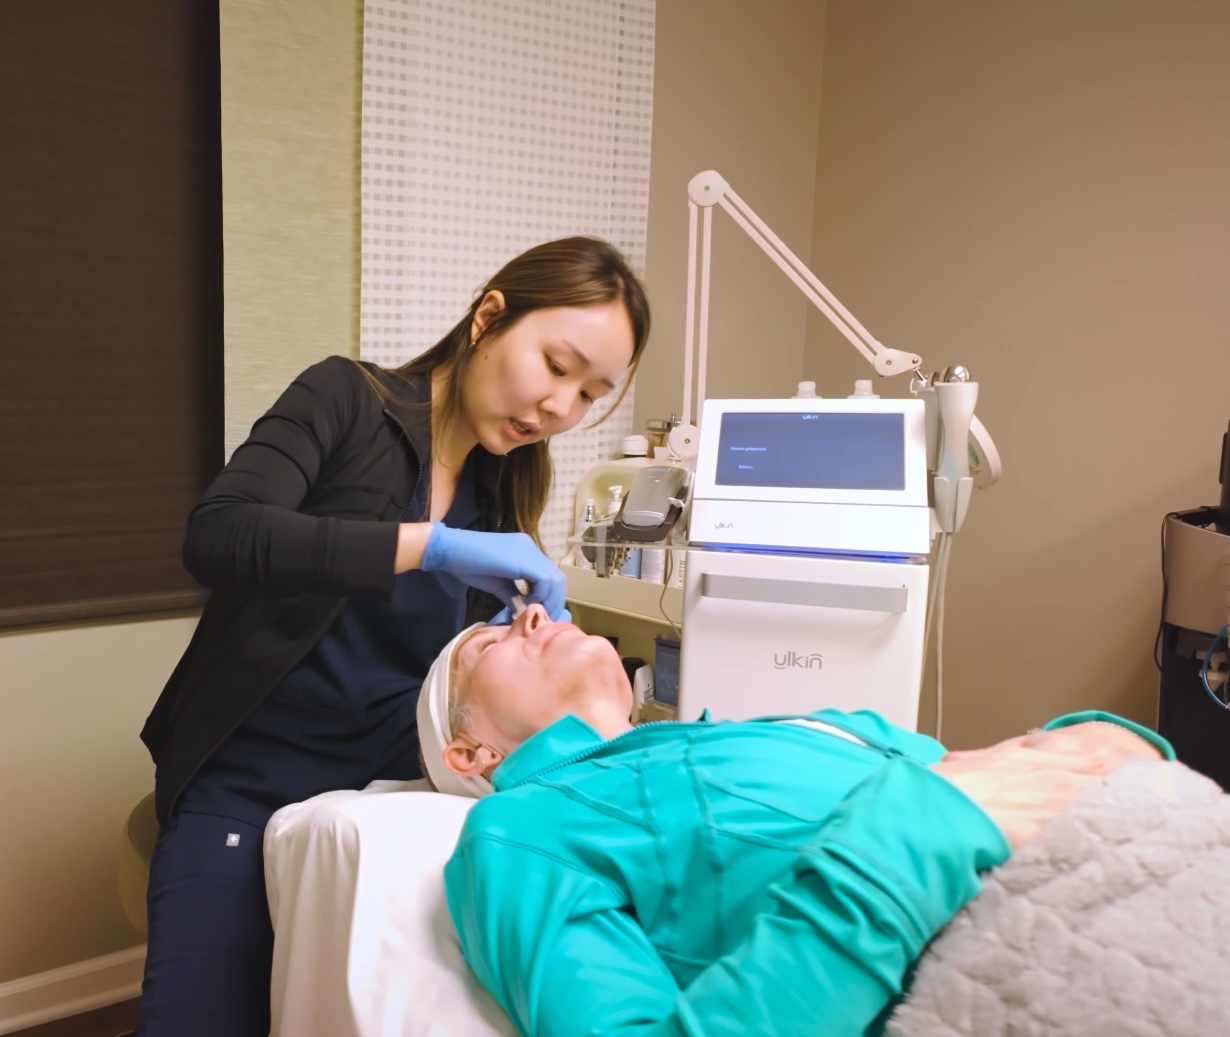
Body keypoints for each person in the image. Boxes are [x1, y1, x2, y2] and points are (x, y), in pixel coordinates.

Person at [134, 237, 651, 1036]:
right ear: (489, 317)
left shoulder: (503, 486)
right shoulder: (346, 398)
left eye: (589, 394)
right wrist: (429, 544)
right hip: (247, 779)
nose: (561, 409)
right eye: (556, 365)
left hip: (389, 791)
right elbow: (221, 535)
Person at [418, 605, 1175, 1037]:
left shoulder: (802, 728)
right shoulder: (522, 830)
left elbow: (1001, 772)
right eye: (489, 641)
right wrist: (920, 829)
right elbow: (959, 802)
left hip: (1160, 854)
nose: (532, 611)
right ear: (471, 752)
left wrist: (1110, 740)